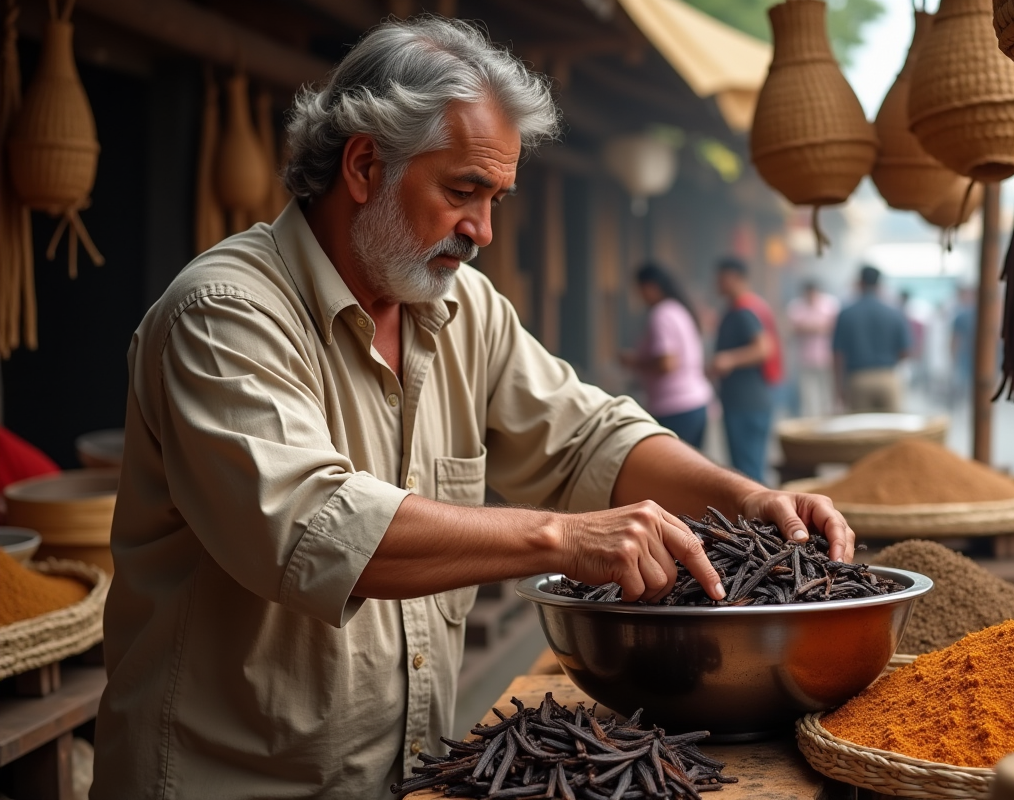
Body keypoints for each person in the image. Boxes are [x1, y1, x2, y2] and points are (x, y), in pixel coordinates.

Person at [90, 18, 854, 800]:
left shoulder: (462, 309)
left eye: (494, 198)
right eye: (462, 191)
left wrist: (749, 499)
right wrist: (563, 537)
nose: (482, 231)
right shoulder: (223, 315)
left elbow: (590, 438)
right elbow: (315, 530)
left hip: (404, 776)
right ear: (364, 165)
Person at [620, 263, 712, 448]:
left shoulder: (661, 314)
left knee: (677, 473)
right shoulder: (679, 309)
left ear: (651, 287)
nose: (640, 296)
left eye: (640, 290)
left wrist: (634, 362)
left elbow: (667, 363)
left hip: (674, 406)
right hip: (696, 401)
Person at [711, 257, 777, 482]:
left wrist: (728, 359)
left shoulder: (744, 310)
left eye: (722, 278)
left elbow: (763, 348)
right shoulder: (744, 307)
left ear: (737, 279)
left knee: (748, 474)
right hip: (746, 400)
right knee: (747, 469)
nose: (717, 283)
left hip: (746, 402)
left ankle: (758, 518)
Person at [832, 266, 911, 413]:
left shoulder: (846, 314)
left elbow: (838, 355)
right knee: (891, 430)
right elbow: (905, 351)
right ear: (879, 284)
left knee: (863, 432)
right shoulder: (895, 313)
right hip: (888, 377)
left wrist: (838, 389)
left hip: (857, 379)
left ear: (860, 283)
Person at [786, 280, 839, 417]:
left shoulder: (830, 305)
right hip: (806, 359)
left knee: (827, 395)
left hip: (827, 358)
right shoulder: (796, 306)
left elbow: (835, 328)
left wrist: (809, 327)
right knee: (808, 397)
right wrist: (818, 327)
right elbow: (792, 328)